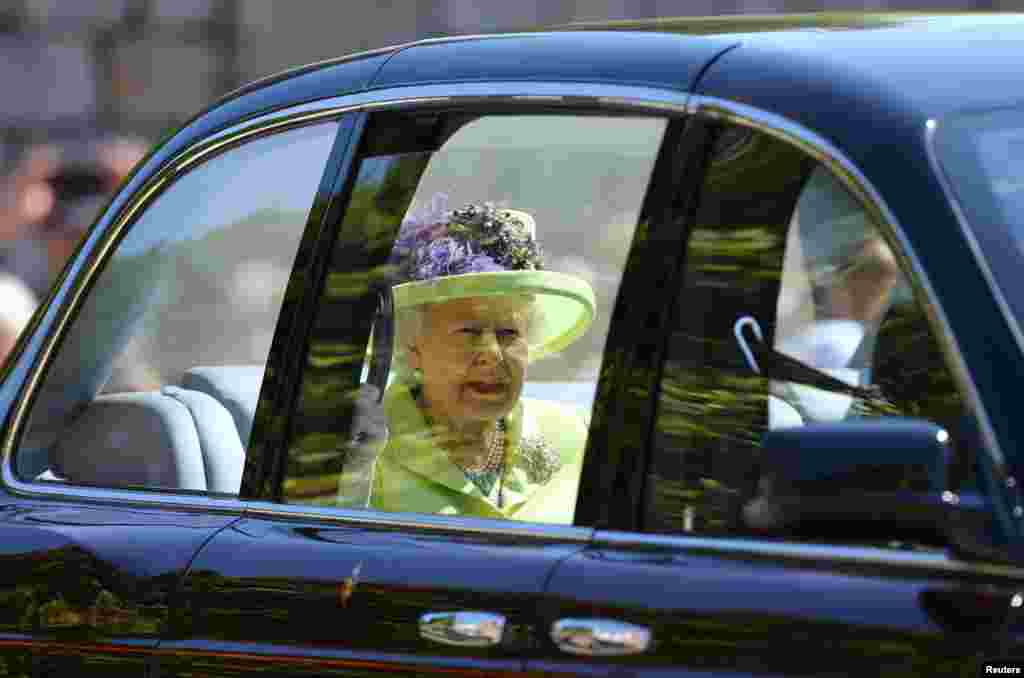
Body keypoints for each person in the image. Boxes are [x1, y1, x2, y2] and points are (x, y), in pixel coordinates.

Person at [339, 196, 597, 523]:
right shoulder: (363, 449)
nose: (492, 354)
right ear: (413, 346)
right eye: (469, 332)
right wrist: (352, 477)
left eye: (508, 332)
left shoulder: (574, 434)